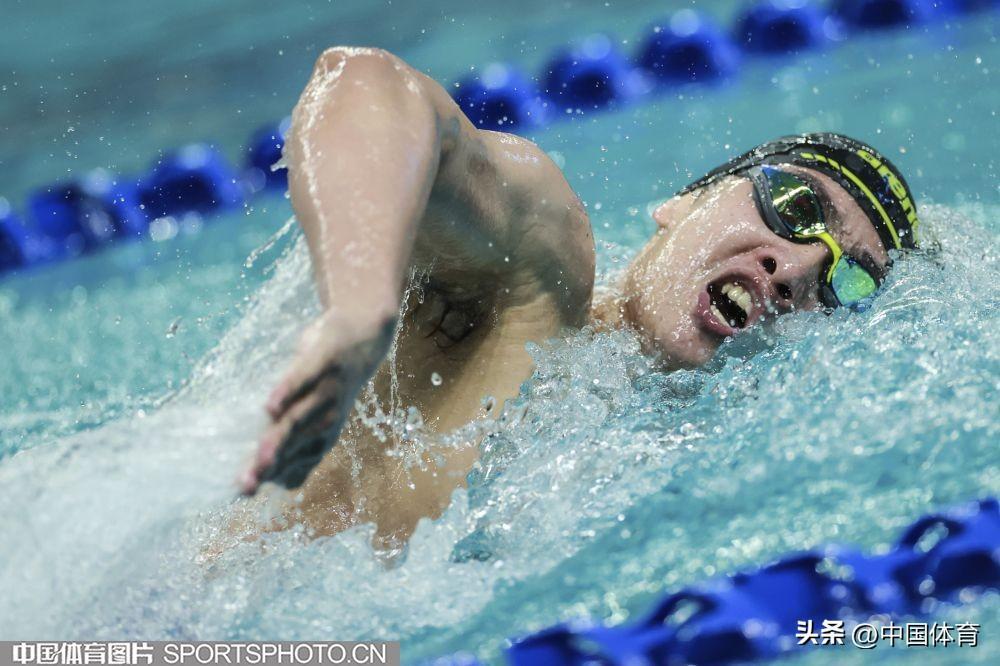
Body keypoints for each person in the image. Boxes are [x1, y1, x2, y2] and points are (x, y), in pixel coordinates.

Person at [236, 47, 919, 550]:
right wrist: (359, 303)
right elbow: (364, 82)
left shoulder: (700, 474)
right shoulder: (533, 278)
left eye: (846, 281)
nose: (796, 266)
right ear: (683, 202)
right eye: (795, 206)